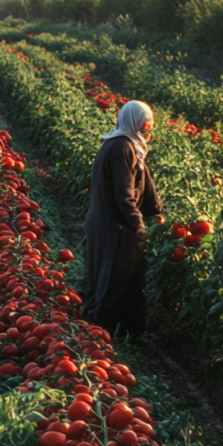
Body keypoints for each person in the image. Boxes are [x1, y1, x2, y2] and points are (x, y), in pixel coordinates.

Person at [78, 100, 162, 339]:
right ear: (134, 120)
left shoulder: (126, 144)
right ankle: (99, 332)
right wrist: (137, 225)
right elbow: (124, 194)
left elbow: (142, 184)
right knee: (115, 277)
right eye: (147, 122)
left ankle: (128, 331)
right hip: (113, 224)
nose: (150, 127)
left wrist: (156, 210)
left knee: (126, 276)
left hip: (108, 221)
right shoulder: (122, 147)